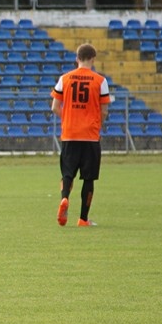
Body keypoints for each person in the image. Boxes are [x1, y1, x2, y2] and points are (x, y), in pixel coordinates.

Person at [51, 43, 110, 227]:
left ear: (77, 58)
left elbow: (54, 107)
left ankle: (64, 198)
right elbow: (104, 110)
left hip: (69, 133)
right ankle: (83, 219)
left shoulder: (64, 79)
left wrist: (68, 118)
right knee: (89, 178)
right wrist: (96, 124)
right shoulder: (100, 81)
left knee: (68, 174)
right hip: (90, 136)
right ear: (93, 58)